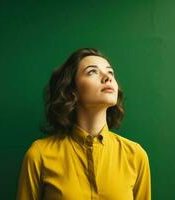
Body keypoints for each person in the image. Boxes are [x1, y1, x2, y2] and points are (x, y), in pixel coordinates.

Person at [16, 48, 151, 200]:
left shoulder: (136, 156)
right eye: (92, 71)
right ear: (72, 90)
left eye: (110, 72)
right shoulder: (39, 155)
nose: (107, 77)